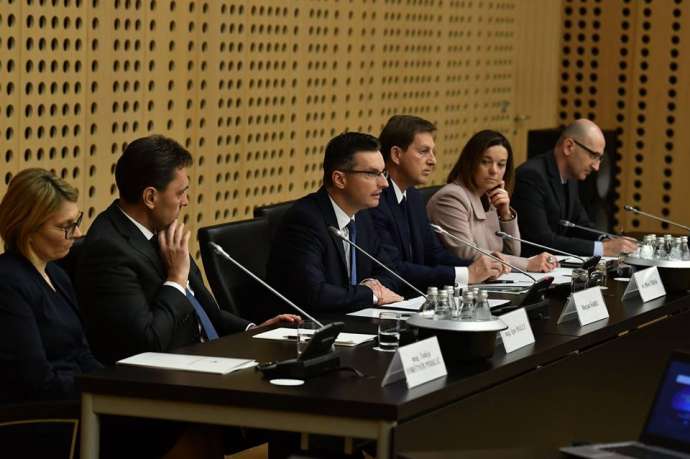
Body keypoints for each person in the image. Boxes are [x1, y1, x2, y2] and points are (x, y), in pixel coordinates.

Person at [76, 135, 299, 365]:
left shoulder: (161, 229)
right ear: (150, 197)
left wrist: (253, 331)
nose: (186, 201)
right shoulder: (110, 251)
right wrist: (176, 279)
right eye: (180, 193)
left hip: (208, 360)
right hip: (166, 378)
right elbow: (146, 342)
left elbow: (203, 311)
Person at [267, 132, 403, 313]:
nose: (384, 183)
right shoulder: (304, 221)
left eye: (383, 173)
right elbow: (314, 294)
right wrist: (372, 294)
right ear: (339, 179)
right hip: (305, 329)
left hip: (352, 320)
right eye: (372, 174)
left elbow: (391, 274)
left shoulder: (362, 216)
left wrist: (369, 286)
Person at [371, 115, 508, 295]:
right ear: (396, 154)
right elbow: (394, 268)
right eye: (423, 151)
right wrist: (467, 274)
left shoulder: (412, 195)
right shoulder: (374, 200)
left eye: (433, 152)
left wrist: (483, 267)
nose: (433, 160)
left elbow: (435, 254)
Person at [0, 168, 100, 403]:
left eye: (77, 222)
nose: (78, 233)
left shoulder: (57, 274)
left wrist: (116, 383)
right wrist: (98, 394)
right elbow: (35, 380)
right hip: (40, 415)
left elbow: (82, 353)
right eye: (66, 226)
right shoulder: (7, 284)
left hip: (76, 398)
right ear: (28, 229)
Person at [426, 130, 557, 272]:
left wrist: (505, 214)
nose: (494, 171)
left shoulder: (490, 197)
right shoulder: (451, 198)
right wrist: (527, 264)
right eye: (485, 162)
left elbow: (513, 253)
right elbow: (467, 253)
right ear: (470, 162)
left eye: (501, 164)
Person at [511, 119, 638, 257]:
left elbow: (579, 223)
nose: (596, 167)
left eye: (599, 158)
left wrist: (607, 239)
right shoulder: (531, 177)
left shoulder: (570, 177)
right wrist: (603, 249)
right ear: (569, 146)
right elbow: (542, 241)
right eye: (593, 156)